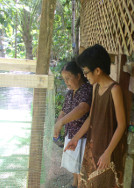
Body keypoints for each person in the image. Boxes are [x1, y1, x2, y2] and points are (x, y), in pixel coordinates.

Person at [66, 44, 128, 187]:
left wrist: (108, 153)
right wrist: (75, 138)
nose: (85, 76)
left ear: (98, 70)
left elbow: (122, 125)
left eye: (86, 72)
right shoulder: (95, 88)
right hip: (94, 144)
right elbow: (91, 118)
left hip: (108, 147)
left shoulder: (115, 90)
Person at [54, 60, 93, 188]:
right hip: (71, 135)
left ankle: (79, 185)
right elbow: (64, 111)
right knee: (73, 166)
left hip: (82, 137)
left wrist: (61, 122)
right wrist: (58, 125)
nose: (66, 82)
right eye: (64, 79)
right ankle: (74, 184)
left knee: (80, 167)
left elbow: (82, 109)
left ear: (78, 76)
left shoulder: (87, 89)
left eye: (68, 78)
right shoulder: (70, 92)